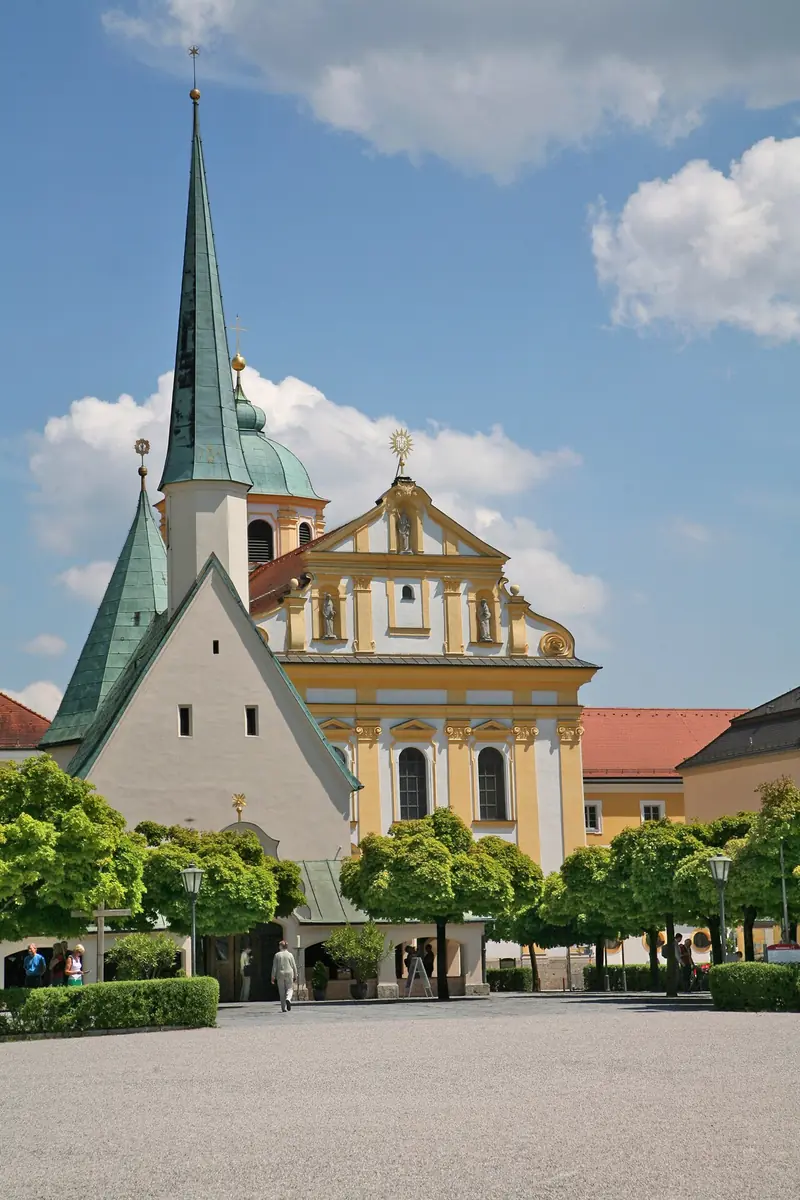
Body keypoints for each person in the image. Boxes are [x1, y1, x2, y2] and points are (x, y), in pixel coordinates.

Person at [270, 940, 298, 1013]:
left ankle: (283, 1007)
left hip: (280, 974)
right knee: (290, 988)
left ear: (281, 946)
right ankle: (288, 998)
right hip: (289, 973)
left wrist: (273, 976)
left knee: (281, 991)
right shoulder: (290, 955)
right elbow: (294, 966)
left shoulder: (277, 955)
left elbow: (274, 967)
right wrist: (296, 975)